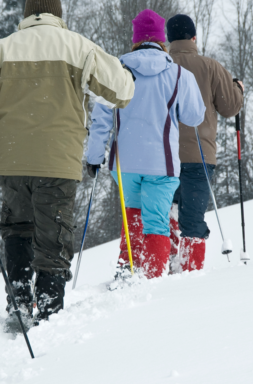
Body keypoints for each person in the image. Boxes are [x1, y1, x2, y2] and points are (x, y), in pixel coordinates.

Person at [0, 0, 135, 325]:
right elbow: (122, 93)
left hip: (12, 160)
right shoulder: (79, 48)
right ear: (58, 13)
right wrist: (125, 75)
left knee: (17, 228)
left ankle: (19, 302)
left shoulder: (1, 50)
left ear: (26, 14)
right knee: (54, 236)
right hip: (58, 161)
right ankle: (49, 309)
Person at [86, 9, 206, 279]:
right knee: (156, 223)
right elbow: (194, 116)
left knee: (133, 216)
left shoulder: (117, 72)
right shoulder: (179, 74)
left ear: (136, 39)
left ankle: (129, 272)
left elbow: (100, 119)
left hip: (125, 164)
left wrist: (94, 157)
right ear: (162, 39)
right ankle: (151, 279)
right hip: (162, 164)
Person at [165, 14, 244, 272]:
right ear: (194, 38)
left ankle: (166, 266)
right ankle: (190, 272)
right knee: (193, 219)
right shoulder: (210, 67)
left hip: (164, 157)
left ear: (169, 39)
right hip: (199, 157)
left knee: (166, 212)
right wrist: (238, 89)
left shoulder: (162, 65)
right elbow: (230, 107)